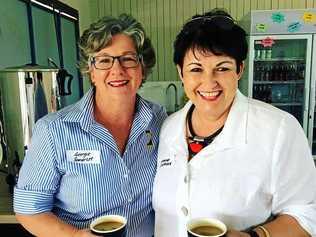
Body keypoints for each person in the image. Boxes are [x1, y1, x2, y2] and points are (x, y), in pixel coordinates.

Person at [153, 8, 316, 237]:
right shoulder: (168, 128)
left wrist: (255, 236)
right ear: (181, 73)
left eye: (222, 68)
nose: (209, 82)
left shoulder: (280, 130)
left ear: (239, 69)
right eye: (196, 69)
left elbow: (306, 215)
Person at [14, 14, 167, 237]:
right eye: (104, 60)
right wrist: (75, 236)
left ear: (142, 68)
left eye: (128, 58)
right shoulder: (53, 131)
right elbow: (29, 211)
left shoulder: (159, 121)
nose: (117, 70)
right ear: (91, 71)